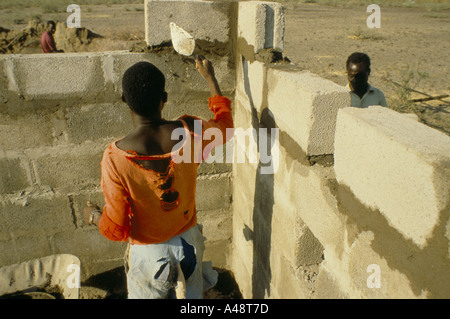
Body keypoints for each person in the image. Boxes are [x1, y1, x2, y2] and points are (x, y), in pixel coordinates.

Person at [83, 56, 233, 299]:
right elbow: (225, 127)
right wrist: (210, 79)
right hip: (189, 245)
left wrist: (93, 216)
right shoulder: (191, 132)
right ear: (163, 100)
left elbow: (117, 229)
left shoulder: (115, 158)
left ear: (124, 100)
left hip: (149, 258)